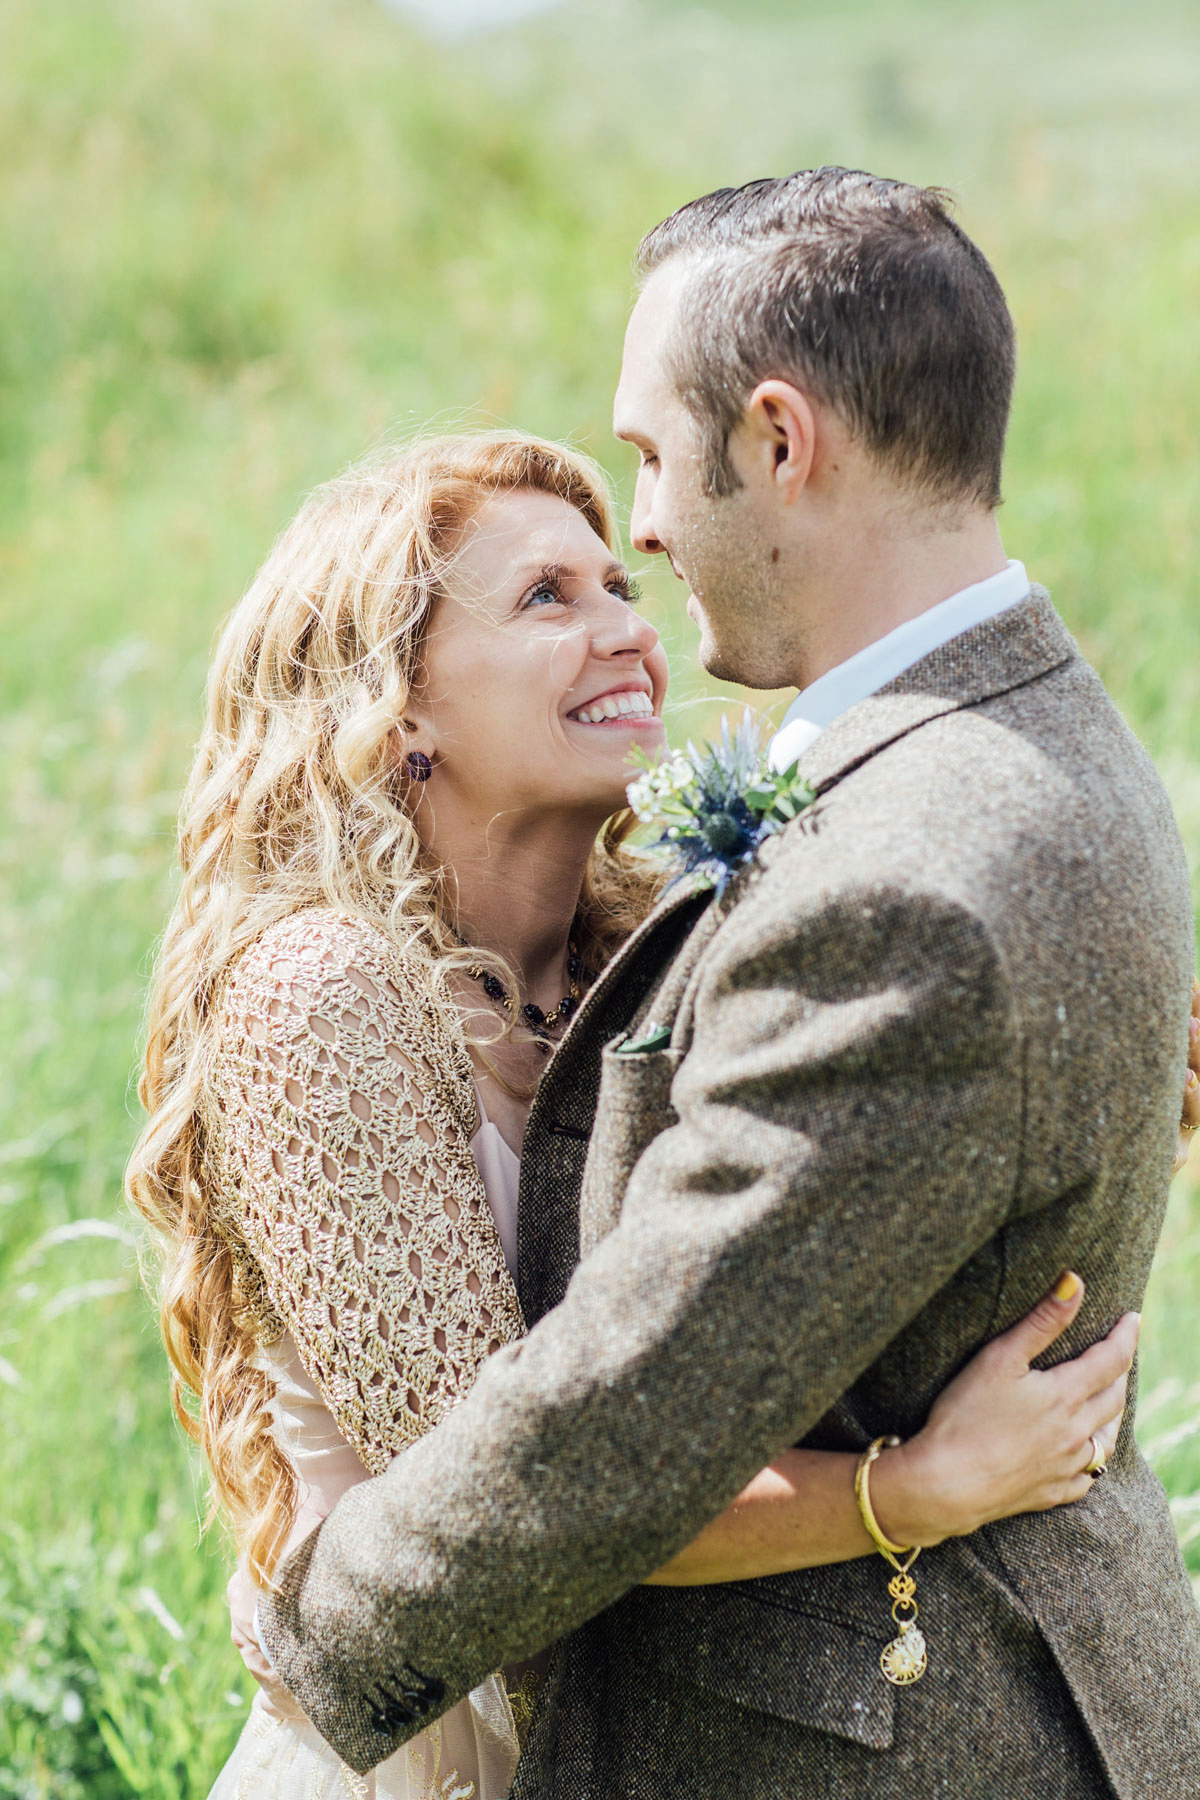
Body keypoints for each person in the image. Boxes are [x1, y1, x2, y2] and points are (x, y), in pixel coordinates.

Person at [250, 172, 1200, 1799]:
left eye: (647, 459)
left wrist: (323, 1633)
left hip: (890, 1737)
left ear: (777, 440)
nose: (648, 532)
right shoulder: (1018, 742)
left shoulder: (912, 861)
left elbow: (635, 1404)